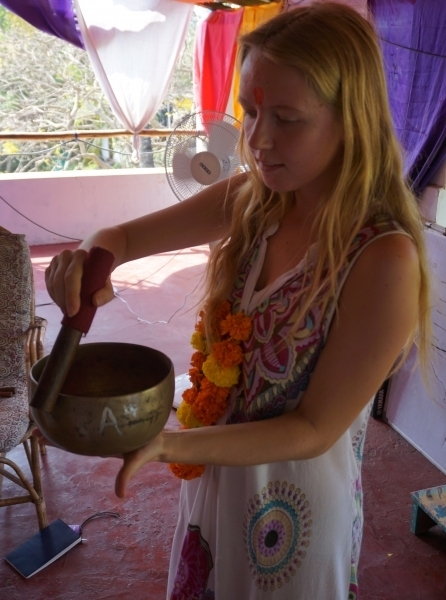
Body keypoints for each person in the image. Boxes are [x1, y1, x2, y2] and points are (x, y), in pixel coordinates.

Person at [44, 3, 431, 599]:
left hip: (291, 512)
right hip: (217, 480)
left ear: (351, 119)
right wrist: (87, 261)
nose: (257, 139)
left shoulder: (382, 259)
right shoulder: (258, 200)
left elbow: (313, 427)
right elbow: (120, 239)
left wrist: (172, 442)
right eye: (250, 112)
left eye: (287, 118)